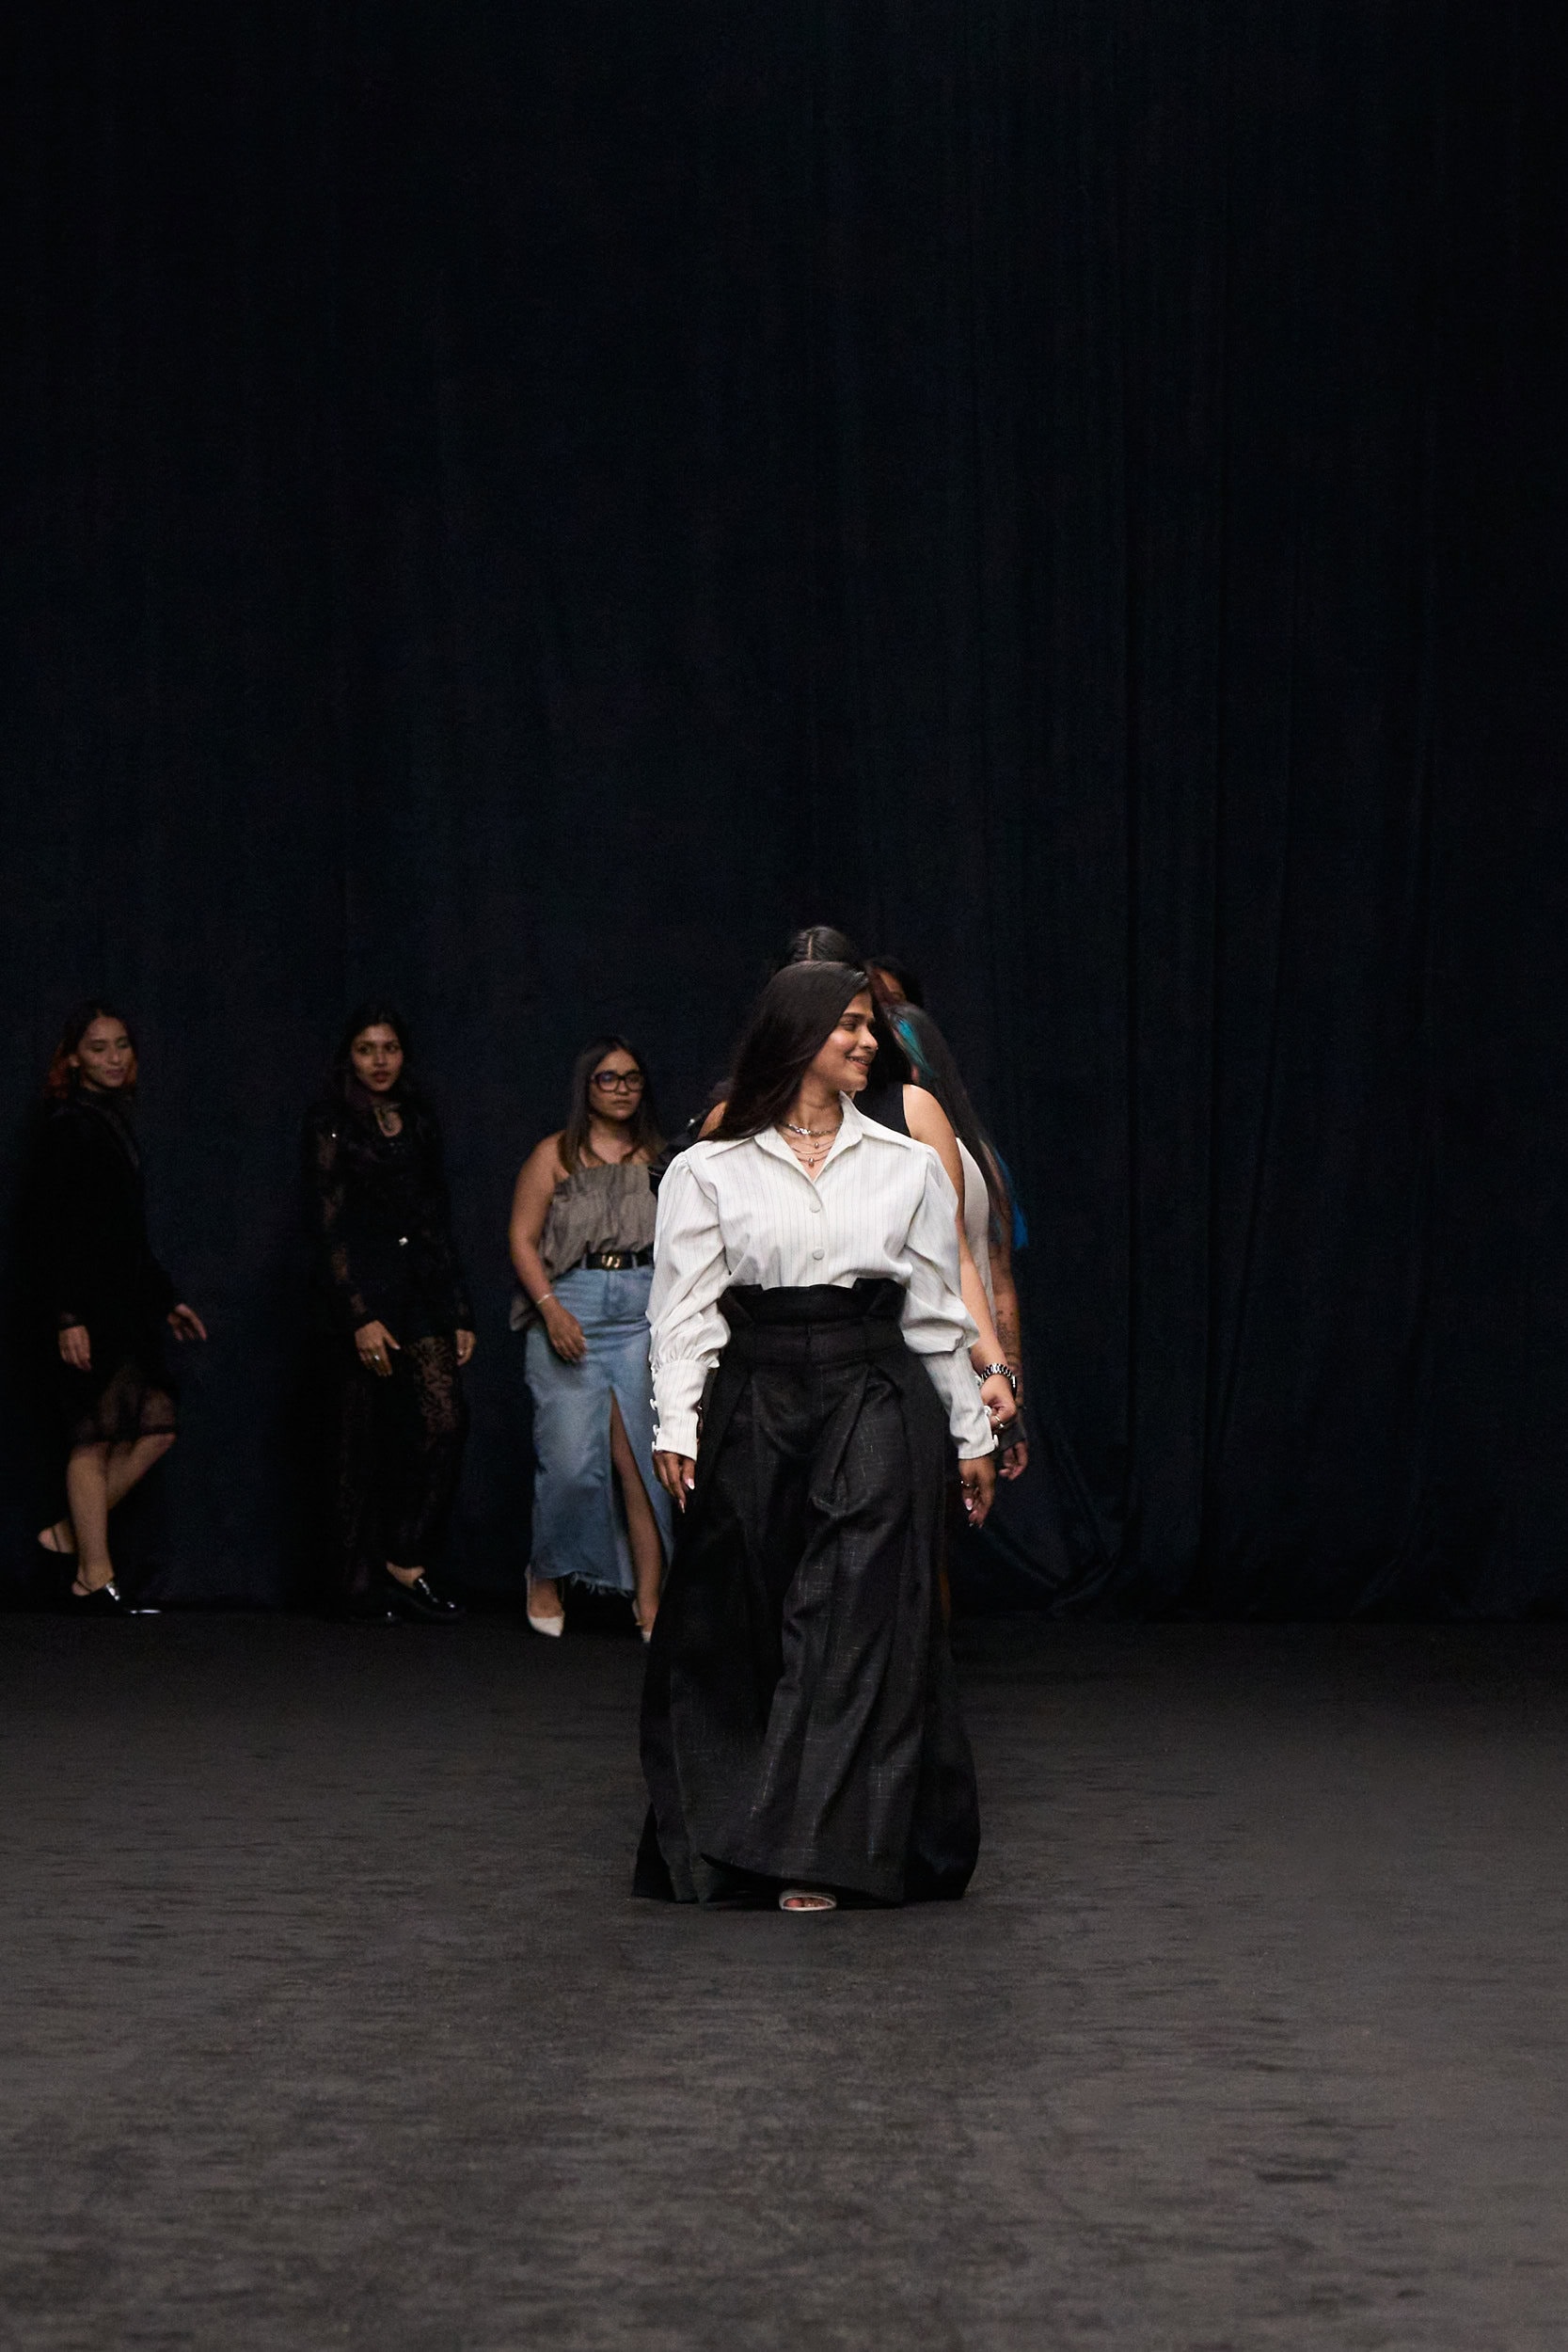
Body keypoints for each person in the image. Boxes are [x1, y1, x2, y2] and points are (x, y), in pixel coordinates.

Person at [637, 961, 995, 1914]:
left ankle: (823, 1850)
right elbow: (681, 1312)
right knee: (754, 1615)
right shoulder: (709, 1167)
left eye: (870, 1026)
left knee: (850, 1613)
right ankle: (743, 1831)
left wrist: (970, 1433)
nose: (869, 1041)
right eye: (849, 1025)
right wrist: (676, 1422)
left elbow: (937, 1313)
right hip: (754, 1390)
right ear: (796, 1034)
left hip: (872, 1386)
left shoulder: (906, 1165)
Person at [706, 926, 1021, 1454]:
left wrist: (993, 1367)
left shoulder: (912, 1111)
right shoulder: (732, 1120)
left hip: (894, 1377)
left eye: (846, 1013)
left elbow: (954, 1259)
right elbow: (701, 1279)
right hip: (766, 1390)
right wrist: (689, 1408)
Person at [31, 1002, 207, 1611]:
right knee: (92, 1438)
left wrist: (166, 1299)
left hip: (124, 1306)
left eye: (122, 1045)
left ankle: (70, 1536)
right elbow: (48, 1230)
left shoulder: (110, 1120)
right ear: (74, 1059)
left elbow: (125, 1233)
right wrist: (67, 1317)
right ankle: (93, 1574)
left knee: (155, 1428)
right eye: (98, 1047)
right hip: (85, 1307)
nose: (113, 1058)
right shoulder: (66, 1125)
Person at [303, 1006, 473, 1623]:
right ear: (348, 1056)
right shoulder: (331, 1123)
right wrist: (358, 1315)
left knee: (444, 1423)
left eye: (390, 1047)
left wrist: (457, 1309)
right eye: (367, 1048)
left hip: (419, 1290)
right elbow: (327, 1226)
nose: (379, 1061)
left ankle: (405, 1556)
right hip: (359, 1295)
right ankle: (352, 1585)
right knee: (357, 1442)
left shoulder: (419, 1117)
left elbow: (435, 1216)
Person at [508, 1036, 672, 1640]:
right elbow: (522, 1238)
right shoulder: (555, 1154)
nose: (622, 1088)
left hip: (642, 1309)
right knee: (570, 1463)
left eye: (632, 1077)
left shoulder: (661, 1157)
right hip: (571, 1304)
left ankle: (651, 1598)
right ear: (587, 1086)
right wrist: (550, 1310)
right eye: (608, 1078)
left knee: (643, 1463)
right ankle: (547, 1574)